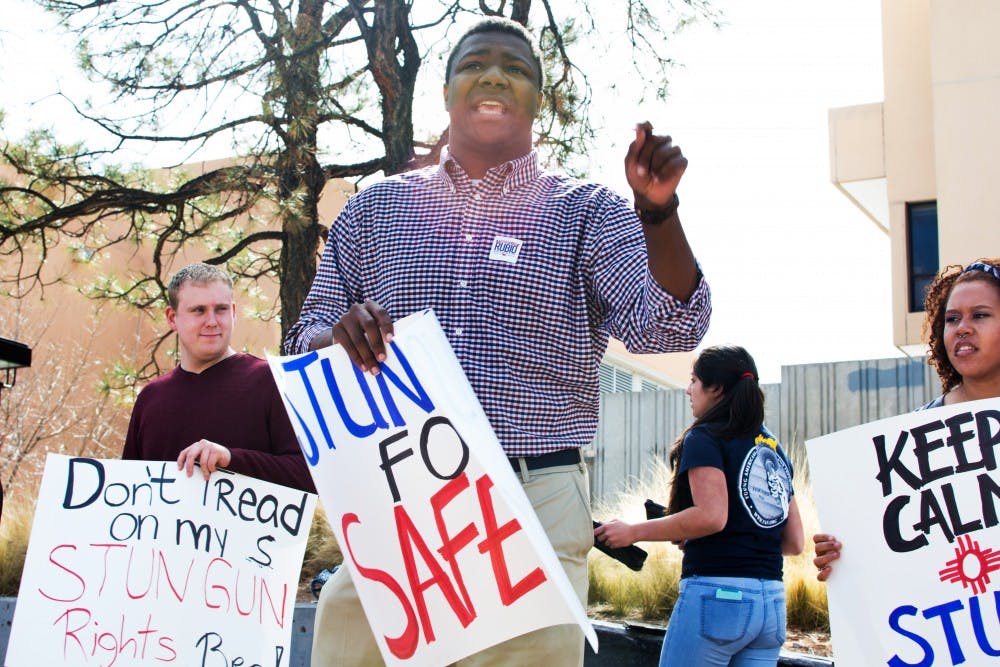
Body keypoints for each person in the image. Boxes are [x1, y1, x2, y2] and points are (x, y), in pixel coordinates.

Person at [283, 16, 711, 667]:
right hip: (399, 499)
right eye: (474, 63)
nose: (493, 76)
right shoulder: (376, 210)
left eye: (515, 68)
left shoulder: (588, 211)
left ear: (539, 99)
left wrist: (657, 212)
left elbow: (669, 324)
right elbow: (301, 339)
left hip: (531, 499)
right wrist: (334, 335)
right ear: (448, 90)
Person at [595, 345, 804, 666]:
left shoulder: (705, 437)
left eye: (694, 380)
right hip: (772, 606)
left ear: (716, 388)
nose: (688, 389)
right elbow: (794, 543)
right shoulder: (773, 448)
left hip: (717, 600)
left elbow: (711, 517)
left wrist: (633, 531)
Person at [813, 257, 1000, 580]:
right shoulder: (913, 435)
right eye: (952, 319)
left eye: (980, 315)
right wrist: (842, 553)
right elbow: (887, 544)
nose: (962, 328)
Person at [122, 262, 315, 493]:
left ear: (233, 313)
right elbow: (130, 490)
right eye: (199, 310)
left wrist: (231, 459)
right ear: (172, 318)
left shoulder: (271, 381)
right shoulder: (150, 399)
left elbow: (308, 477)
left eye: (221, 309)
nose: (212, 321)